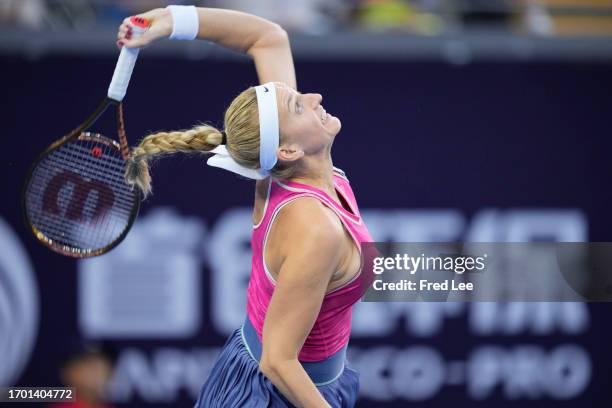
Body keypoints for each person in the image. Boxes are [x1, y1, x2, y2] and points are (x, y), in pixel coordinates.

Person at [116, 5, 374, 407]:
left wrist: (169, 20)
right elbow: (278, 361)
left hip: (276, 376)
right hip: (277, 393)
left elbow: (267, 39)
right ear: (287, 148)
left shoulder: (279, 166)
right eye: (298, 105)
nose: (314, 96)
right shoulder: (316, 228)